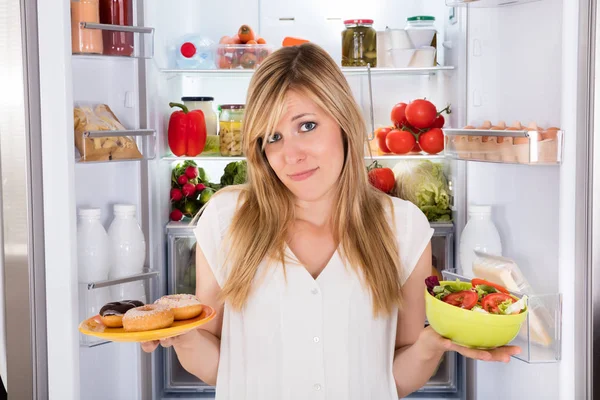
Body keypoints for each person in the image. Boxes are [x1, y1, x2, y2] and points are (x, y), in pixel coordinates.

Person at [142, 43, 520, 399]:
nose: (291, 155)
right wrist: (180, 336)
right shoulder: (227, 220)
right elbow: (215, 363)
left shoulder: (402, 227)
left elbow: (396, 376)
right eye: (273, 137)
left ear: (343, 121)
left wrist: (432, 345)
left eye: (306, 126)